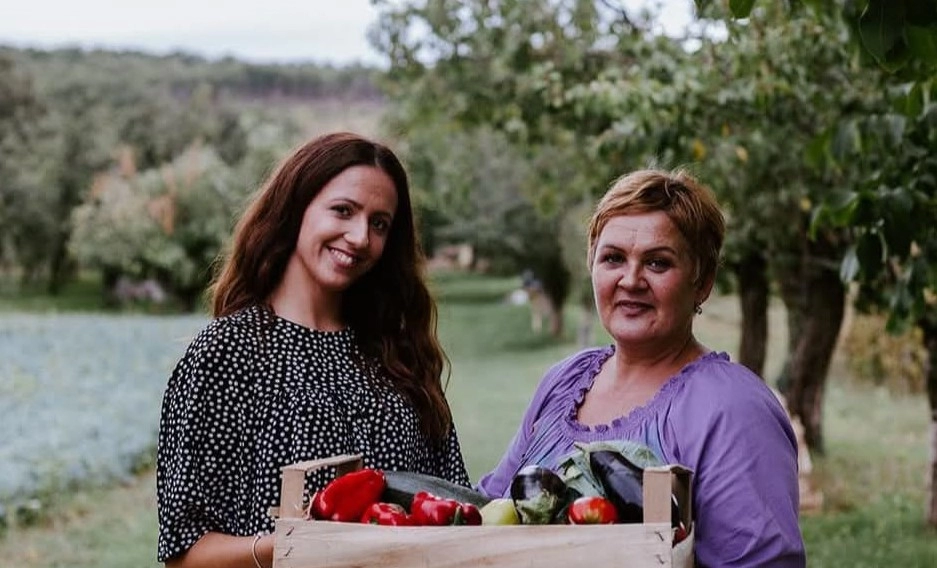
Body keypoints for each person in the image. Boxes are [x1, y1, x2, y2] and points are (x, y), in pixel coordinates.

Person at [156, 132, 470, 568]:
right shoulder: (227, 354)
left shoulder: (400, 355)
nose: (360, 237)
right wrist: (296, 545)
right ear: (294, 210)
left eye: (379, 223)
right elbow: (184, 553)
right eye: (343, 211)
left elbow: (459, 511)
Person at [477, 169, 806, 567]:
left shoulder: (732, 409)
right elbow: (492, 512)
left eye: (658, 263)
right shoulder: (564, 382)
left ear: (702, 283)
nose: (631, 280)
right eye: (613, 258)